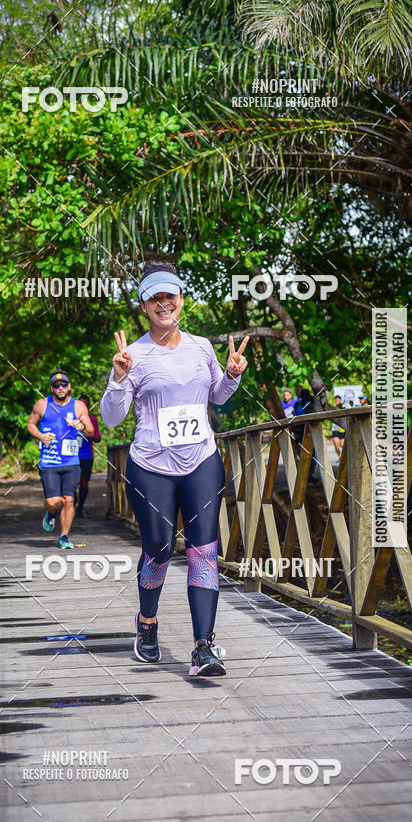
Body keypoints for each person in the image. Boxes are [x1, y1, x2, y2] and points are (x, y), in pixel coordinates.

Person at [100, 261, 249, 678]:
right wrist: (117, 378)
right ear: (145, 306)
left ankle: (203, 648)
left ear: (181, 299)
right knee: (161, 549)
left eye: (171, 295)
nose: (164, 303)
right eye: (155, 298)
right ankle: (146, 624)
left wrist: (233, 375)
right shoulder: (135, 354)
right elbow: (111, 419)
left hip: (201, 459)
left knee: (204, 550)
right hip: (151, 465)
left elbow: (217, 396)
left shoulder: (202, 346)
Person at [27, 370, 94, 549]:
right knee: (53, 501)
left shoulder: (79, 406)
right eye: (56, 385)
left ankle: (64, 536)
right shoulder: (42, 404)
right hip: (49, 462)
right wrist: (40, 435)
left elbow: (91, 432)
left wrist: (81, 425)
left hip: (71, 461)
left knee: (69, 500)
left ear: (69, 386)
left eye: (64, 384)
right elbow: (30, 424)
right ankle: (50, 514)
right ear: (52, 388)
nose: (60, 388)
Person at [74, 394, 101, 517]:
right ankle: (72, 502)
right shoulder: (70, 418)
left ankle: (80, 507)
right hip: (71, 454)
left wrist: (89, 433)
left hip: (86, 455)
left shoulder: (92, 419)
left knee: (84, 482)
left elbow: (97, 437)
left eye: (85, 405)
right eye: (80, 404)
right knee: (71, 481)